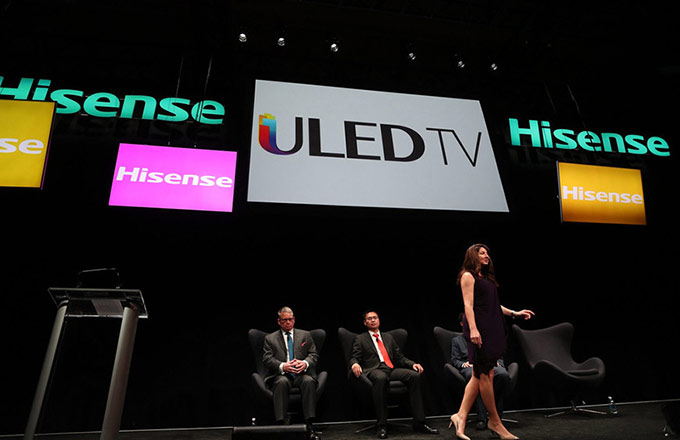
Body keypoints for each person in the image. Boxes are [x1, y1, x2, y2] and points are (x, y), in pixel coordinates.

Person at [449, 244, 534, 440]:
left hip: (492, 328)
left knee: (478, 375)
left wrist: (514, 313)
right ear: (473, 256)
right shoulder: (468, 276)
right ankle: (494, 421)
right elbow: (468, 305)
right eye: (482, 253)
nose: (486, 256)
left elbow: (494, 305)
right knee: (486, 373)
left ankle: (460, 415)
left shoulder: (486, 279)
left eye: (487, 253)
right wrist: (473, 329)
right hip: (480, 329)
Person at [349, 309, 439, 439]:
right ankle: (382, 425)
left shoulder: (388, 338)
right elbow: (354, 356)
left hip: (390, 369)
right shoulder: (360, 338)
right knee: (380, 377)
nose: (373, 320)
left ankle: (419, 423)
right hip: (374, 370)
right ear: (365, 322)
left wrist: (412, 364)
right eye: (369, 318)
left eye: (375, 317)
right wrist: (355, 364)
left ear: (379, 320)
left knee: (414, 376)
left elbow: (399, 357)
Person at [262, 306, 319, 434]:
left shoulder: (305, 335)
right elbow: (267, 359)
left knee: (308, 381)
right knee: (281, 382)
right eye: (284, 320)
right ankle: (281, 423)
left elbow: (313, 355)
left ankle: (309, 422)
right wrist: (283, 366)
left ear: (294, 320)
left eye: (290, 319)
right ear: (279, 321)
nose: (288, 322)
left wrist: (305, 363)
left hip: (301, 374)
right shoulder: (270, 338)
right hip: (282, 374)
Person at [451, 313, 511, 430]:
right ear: (462, 324)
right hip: (470, 367)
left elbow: (498, 354)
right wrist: (463, 364)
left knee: (503, 374)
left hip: (489, 364)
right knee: (478, 377)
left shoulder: (484, 336)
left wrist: (498, 362)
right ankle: (482, 418)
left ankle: (497, 418)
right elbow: (455, 360)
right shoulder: (457, 341)